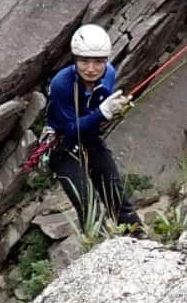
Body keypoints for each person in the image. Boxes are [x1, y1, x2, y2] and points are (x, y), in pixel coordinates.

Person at [46, 25, 140, 233]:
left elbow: (95, 108)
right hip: (62, 146)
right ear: (75, 60)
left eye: (98, 62)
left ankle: (141, 243)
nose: (91, 68)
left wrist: (115, 108)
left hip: (90, 139)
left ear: (106, 60)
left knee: (116, 195)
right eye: (84, 61)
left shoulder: (109, 75)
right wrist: (103, 112)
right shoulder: (61, 83)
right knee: (89, 207)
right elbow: (70, 129)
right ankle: (96, 256)